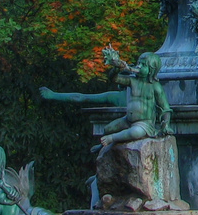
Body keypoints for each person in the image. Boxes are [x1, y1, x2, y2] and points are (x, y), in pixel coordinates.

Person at [39, 47, 171, 155]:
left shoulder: (155, 87)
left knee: (135, 132)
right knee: (108, 128)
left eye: (143, 65)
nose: (138, 66)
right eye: (139, 63)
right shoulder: (132, 81)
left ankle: (111, 140)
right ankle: (104, 145)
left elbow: (165, 108)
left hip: (144, 124)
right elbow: (114, 78)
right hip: (128, 120)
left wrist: (165, 124)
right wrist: (116, 67)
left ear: (152, 70)